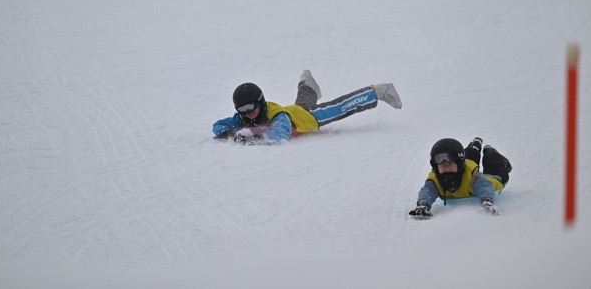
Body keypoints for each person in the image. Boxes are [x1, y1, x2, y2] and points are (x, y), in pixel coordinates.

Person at [213, 70, 402, 144]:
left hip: (309, 119)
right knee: (302, 104)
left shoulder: (278, 117)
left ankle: (378, 91)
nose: (247, 114)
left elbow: (280, 134)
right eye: (242, 110)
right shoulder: (243, 117)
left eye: (250, 108)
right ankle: (307, 85)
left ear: (260, 103)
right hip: (296, 111)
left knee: (341, 107)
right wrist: (228, 133)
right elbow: (219, 125)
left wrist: (252, 140)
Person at [409, 137, 512, 218]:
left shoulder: (472, 176)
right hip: (467, 162)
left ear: (459, 164)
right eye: (442, 165)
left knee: (499, 175)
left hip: (488, 178)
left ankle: (490, 151)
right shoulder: (435, 178)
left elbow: (483, 185)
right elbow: (427, 190)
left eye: (450, 164)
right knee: (470, 157)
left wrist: (487, 200)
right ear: (436, 167)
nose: (446, 168)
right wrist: (423, 204)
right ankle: (475, 144)